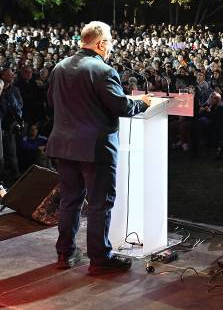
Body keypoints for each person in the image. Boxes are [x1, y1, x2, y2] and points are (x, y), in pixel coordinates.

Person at [46, 21, 151, 275]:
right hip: (94, 149)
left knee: (69, 202)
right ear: (101, 43)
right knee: (99, 204)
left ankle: (65, 253)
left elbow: (51, 101)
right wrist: (143, 103)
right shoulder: (102, 70)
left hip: (62, 145)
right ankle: (100, 257)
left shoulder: (59, 67)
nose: (111, 48)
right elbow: (121, 107)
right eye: (110, 42)